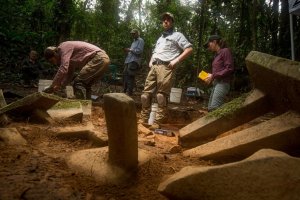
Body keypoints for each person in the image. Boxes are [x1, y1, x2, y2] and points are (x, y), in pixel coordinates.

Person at [139, 12, 193, 129]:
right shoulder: (160, 38)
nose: (165, 21)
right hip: (154, 66)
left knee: (160, 96)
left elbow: (189, 49)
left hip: (166, 67)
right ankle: (143, 120)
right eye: (164, 20)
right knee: (145, 95)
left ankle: (157, 123)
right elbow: (155, 51)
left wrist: (176, 61)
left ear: (172, 22)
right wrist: (151, 61)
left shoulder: (177, 35)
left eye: (168, 20)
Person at [43, 41, 110, 99]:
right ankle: (87, 107)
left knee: (78, 82)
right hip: (103, 59)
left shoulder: (63, 47)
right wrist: (61, 86)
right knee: (86, 85)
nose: (54, 63)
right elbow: (69, 74)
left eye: (52, 61)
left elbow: (63, 68)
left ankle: (82, 105)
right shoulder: (69, 56)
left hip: (98, 58)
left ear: (55, 53)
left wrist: (52, 86)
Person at [203, 35, 234, 111]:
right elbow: (217, 72)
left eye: (209, 44)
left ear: (214, 42)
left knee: (214, 107)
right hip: (216, 83)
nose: (208, 47)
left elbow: (229, 68)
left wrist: (213, 75)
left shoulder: (225, 51)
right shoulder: (216, 55)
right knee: (210, 108)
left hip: (223, 83)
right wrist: (210, 78)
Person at [123, 29, 144, 96]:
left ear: (138, 33)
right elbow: (132, 51)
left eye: (134, 33)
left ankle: (129, 93)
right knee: (125, 75)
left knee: (130, 76)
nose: (133, 35)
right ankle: (125, 91)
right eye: (132, 34)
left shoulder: (140, 40)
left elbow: (139, 51)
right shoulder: (133, 42)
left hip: (134, 61)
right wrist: (128, 50)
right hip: (129, 60)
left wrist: (130, 50)